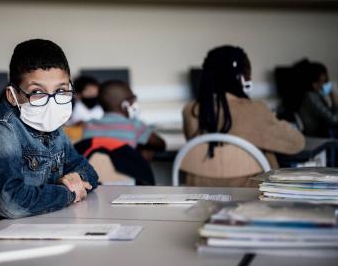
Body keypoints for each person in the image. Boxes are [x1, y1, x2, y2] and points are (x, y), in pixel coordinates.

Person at [0, 39, 99, 226]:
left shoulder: (52, 125)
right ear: (13, 96)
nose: (51, 101)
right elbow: (12, 203)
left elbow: (90, 173)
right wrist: (68, 192)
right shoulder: (4, 131)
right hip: (1, 236)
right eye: (37, 92)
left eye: (61, 90)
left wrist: (77, 178)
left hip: (46, 225)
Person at [182, 45, 304, 187]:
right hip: (250, 201)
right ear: (240, 77)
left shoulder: (191, 111)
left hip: (202, 199)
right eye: (247, 73)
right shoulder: (254, 111)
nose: (250, 78)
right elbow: (297, 143)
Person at [82, 80, 166, 153]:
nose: (134, 104)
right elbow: (161, 144)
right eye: (132, 100)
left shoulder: (88, 126)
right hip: (126, 170)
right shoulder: (134, 125)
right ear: (125, 105)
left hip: (94, 170)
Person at [299, 61, 338, 137]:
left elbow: (330, 115)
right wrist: (335, 101)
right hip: (317, 134)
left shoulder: (317, 94)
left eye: (324, 82)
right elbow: (333, 120)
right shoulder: (310, 97)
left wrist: (334, 101)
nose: (322, 85)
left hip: (326, 129)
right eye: (319, 82)